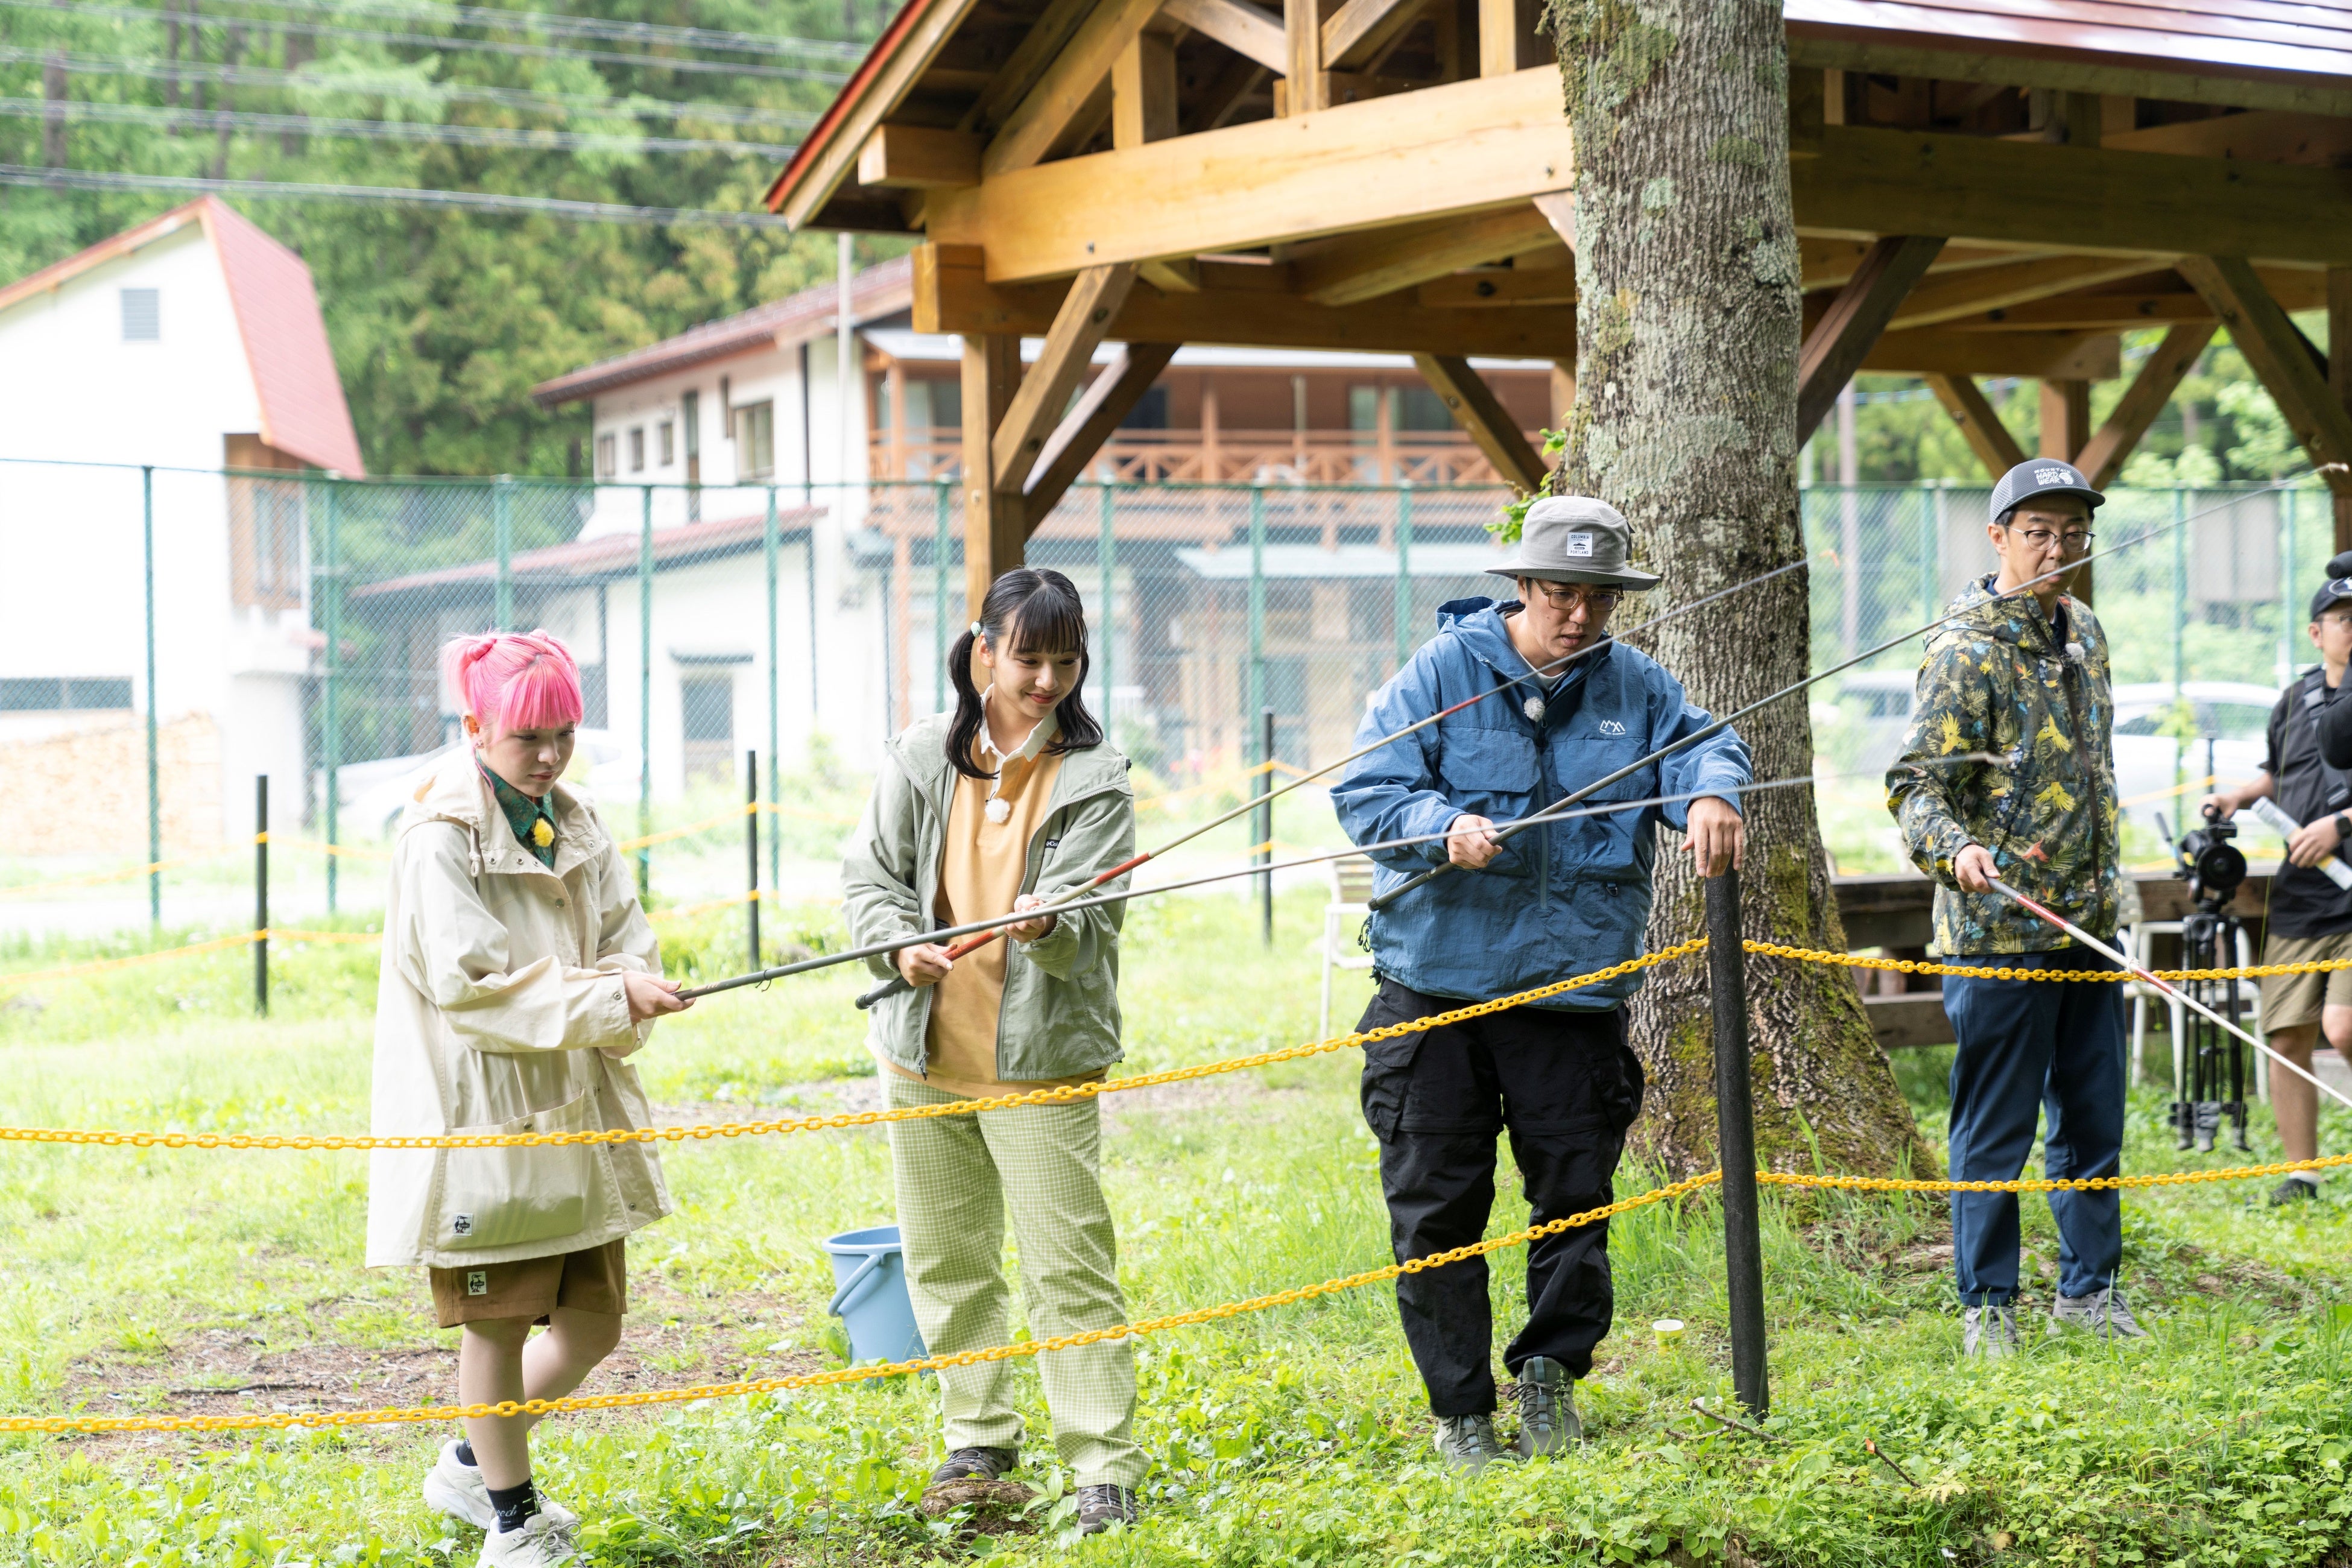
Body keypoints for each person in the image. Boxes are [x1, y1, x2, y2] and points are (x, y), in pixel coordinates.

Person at [1332, 495, 1751, 1473]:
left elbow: (1705, 743)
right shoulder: (1441, 673)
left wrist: (1713, 795)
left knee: (1575, 1194)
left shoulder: (1636, 688)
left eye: (1596, 597)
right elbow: (1367, 786)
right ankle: (1460, 1410)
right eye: (1560, 592)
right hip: (1437, 995)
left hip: (1574, 999)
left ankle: (1552, 1376)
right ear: (1522, 588)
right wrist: (1440, 825)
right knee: (1436, 1207)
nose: (1577, 614)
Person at [369, 630, 691, 1568]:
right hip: (485, 1113)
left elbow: (628, 934)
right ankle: (513, 1526)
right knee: (498, 1323)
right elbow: (472, 989)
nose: (548, 757)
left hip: (578, 1105)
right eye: (527, 739)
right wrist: (606, 996)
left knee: (594, 1323)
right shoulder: (439, 840)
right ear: (475, 729)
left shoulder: (578, 817)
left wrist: (636, 986)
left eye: (564, 734)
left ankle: (473, 1459)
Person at [841, 568, 1145, 1537]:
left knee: (1069, 1266)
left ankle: (1102, 1466)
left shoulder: (1097, 777)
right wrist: (900, 943)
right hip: (923, 1055)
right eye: (1028, 657)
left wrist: (1045, 926)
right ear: (984, 653)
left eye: (1066, 660)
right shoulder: (922, 754)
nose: (1047, 678)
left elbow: (1094, 922)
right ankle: (977, 1442)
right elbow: (871, 882)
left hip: (1040, 1060)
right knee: (946, 1258)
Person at [1885, 457, 2142, 1358]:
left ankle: (2092, 1291)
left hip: (2090, 924)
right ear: (1998, 537)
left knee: (2094, 1121)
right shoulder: (1965, 650)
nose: (2057, 549)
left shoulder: (2088, 635)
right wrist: (1955, 850)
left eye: (2073, 533)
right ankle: (1987, 1306)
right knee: (1995, 1129)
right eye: (2038, 532)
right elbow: (1915, 786)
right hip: (1997, 928)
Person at [2201, 552, 2352, 1204]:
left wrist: (2340, 824)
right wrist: (2239, 796)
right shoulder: (2294, 698)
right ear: (2317, 630)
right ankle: (2303, 1172)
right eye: (2343, 617)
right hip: (2298, 894)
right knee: (2286, 1032)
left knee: (2345, 1028)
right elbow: (2280, 771)